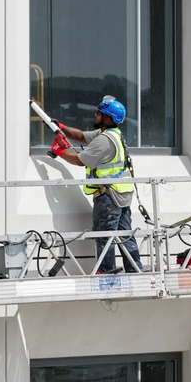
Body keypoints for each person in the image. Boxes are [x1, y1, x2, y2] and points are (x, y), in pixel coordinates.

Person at [50, 96, 143, 273]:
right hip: (121, 193)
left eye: (99, 113)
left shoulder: (104, 140)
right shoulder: (111, 134)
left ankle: (105, 272)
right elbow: (82, 136)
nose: (95, 114)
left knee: (104, 235)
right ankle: (135, 269)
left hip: (108, 196)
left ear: (107, 118)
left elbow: (80, 160)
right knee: (125, 235)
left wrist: (60, 151)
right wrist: (61, 128)